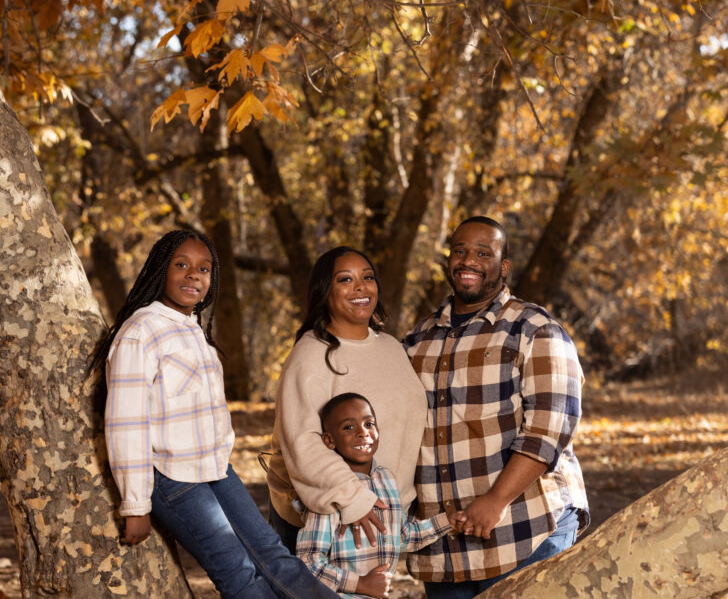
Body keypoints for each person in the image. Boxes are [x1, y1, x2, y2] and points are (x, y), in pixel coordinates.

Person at [91, 229, 335, 599]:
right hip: (172, 478)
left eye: (204, 269)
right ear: (160, 270)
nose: (194, 275)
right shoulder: (142, 331)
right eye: (182, 265)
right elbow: (127, 423)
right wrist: (136, 504)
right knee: (237, 571)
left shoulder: (193, 331)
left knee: (274, 556)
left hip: (216, 469)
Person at [403, 216, 590, 599]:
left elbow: (549, 429)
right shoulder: (416, 341)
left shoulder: (535, 330)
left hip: (524, 534)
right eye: (460, 250)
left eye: (483, 253)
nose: (468, 260)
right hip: (445, 551)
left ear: (503, 267)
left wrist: (495, 499)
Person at [266, 247, 428, 554]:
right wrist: (353, 499)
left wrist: (398, 504)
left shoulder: (392, 348)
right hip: (328, 518)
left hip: (381, 513)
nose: (360, 287)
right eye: (345, 279)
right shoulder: (311, 354)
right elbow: (304, 441)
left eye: (367, 277)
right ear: (325, 291)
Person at [296, 393, 458, 598]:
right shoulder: (331, 489)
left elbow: (400, 536)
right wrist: (360, 584)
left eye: (369, 424)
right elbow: (307, 564)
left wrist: (448, 521)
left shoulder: (387, 479)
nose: (363, 433)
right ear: (329, 440)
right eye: (348, 427)